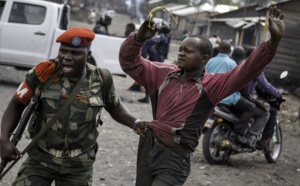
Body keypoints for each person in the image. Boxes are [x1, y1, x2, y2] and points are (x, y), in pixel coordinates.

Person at [119, 6, 285, 185]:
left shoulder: (212, 85)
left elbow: (247, 70)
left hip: (175, 159)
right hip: (147, 148)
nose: (181, 53)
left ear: (204, 58)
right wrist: (138, 39)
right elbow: (130, 63)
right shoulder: (162, 73)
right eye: (181, 49)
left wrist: (272, 43)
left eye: (188, 51)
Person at [0, 27, 147, 185]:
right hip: (40, 160)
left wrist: (136, 123)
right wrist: (3, 139)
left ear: (88, 55)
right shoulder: (43, 73)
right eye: (63, 51)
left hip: (79, 166)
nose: (67, 57)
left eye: (75, 53)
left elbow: (115, 107)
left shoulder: (101, 78)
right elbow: (16, 104)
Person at [205, 41, 257, 149]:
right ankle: (237, 134)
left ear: (219, 49)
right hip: (227, 98)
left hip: (210, 96)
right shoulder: (232, 64)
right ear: (229, 52)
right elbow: (239, 83)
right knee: (251, 107)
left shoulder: (210, 61)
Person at [242, 46, 283, 152]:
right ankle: (253, 137)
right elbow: (266, 86)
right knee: (267, 113)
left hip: (233, 97)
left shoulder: (239, 63)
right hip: (244, 99)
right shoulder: (256, 68)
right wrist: (279, 93)